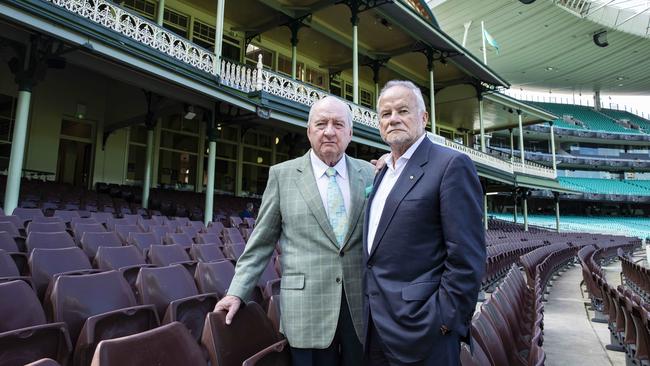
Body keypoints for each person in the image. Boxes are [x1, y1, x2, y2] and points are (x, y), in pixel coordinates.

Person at [215, 96, 375, 366]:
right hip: (306, 308)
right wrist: (236, 292)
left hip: (360, 306)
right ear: (309, 130)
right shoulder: (282, 175)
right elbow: (261, 242)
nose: (329, 131)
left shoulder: (371, 173)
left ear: (350, 133)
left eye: (338, 124)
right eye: (321, 123)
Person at [363, 80, 486, 366]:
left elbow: (467, 257)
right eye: (385, 113)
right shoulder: (382, 173)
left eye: (402, 110)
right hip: (376, 329)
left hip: (425, 333)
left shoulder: (452, 165)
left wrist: (444, 321)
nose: (393, 118)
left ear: (424, 118)